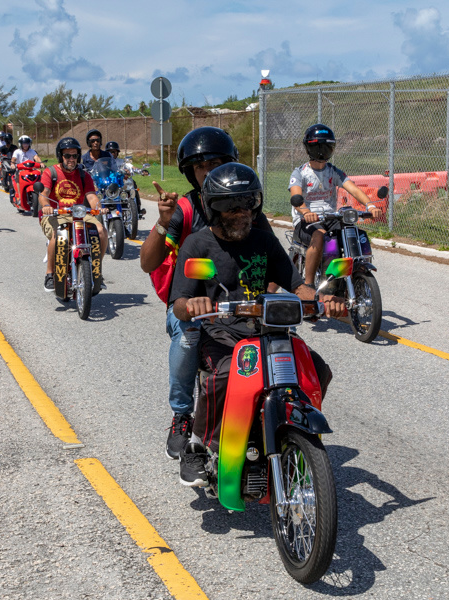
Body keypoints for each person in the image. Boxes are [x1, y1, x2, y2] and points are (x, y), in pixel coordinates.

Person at [169, 162, 346, 486]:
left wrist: (322, 300)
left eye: (248, 205)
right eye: (232, 206)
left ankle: (292, 429)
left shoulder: (264, 241)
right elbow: (178, 302)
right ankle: (198, 446)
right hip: (222, 333)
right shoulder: (197, 245)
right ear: (214, 208)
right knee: (224, 377)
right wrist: (193, 304)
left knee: (317, 369)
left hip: (269, 331)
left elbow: (297, 286)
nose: (243, 214)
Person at [140, 126, 277, 460]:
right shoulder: (185, 210)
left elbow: (273, 261)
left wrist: (269, 297)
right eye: (200, 166)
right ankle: (182, 415)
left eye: (215, 163)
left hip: (240, 302)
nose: (207, 171)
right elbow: (148, 263)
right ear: (190, 172)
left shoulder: (246, 207)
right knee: (188, 337)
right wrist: (163, 222)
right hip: (190, 303)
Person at [289, 124, 374, 287]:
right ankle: (309, 285)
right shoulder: (300, 173)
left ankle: (350, 274)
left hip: (330, 217)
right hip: (306, 220)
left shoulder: (333, 171)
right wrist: (306, 212)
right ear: (309, 148)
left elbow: (354, 189)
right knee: (320, 236)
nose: (322, 151)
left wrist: (370, 206)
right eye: (317, 147)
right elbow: (295, 196)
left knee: (354, 232)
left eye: (326, 147)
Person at [38, 137, 107, 292]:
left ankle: (96, 272)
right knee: (58, 234)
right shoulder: (51, 172)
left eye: (74, 155)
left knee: (101, 231)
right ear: (60, 156)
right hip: (55, 214)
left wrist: (98, 207)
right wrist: (47, 206)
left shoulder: (84, 175)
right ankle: (50, 274)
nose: (71, 159)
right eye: (67, 155)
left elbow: (91, 196)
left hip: (79, 213)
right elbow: (44, 194)